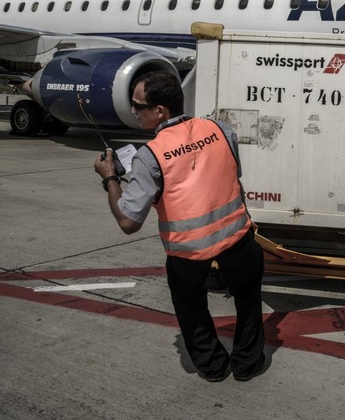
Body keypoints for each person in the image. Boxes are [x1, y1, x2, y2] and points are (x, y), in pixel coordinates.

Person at [94, 71, 266, 382]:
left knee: (191, 308)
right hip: (237, 236)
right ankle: (248, 363)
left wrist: (110, 178)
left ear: (160, 111)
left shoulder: (150, 157)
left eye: (138, 105)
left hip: (189, 250)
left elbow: (127, 222)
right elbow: (230, 177)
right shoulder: (219, 129)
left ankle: (213, 366)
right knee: (248, 299)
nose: (134, 110)